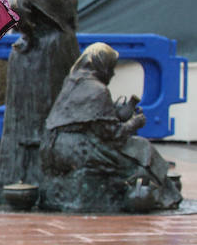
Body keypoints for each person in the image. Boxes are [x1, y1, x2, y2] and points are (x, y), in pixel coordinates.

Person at [41, 42, 182, 211]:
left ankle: (166, 193)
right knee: (142, 148)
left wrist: (114, 112)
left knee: (137, 148)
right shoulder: (98, 90)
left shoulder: (72, 83)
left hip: (54, 147)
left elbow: (89, 120)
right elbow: (111, 134)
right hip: (79, 150)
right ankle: (165, 196)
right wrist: (133, 123)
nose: (113, 73)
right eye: (111, 67)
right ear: (102, 65)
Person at [0, 0, 78, 197]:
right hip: (40, 57)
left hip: (61, 56)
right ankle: (34, 177)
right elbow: (17, 4)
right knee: (39, 120)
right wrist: (31, 32)